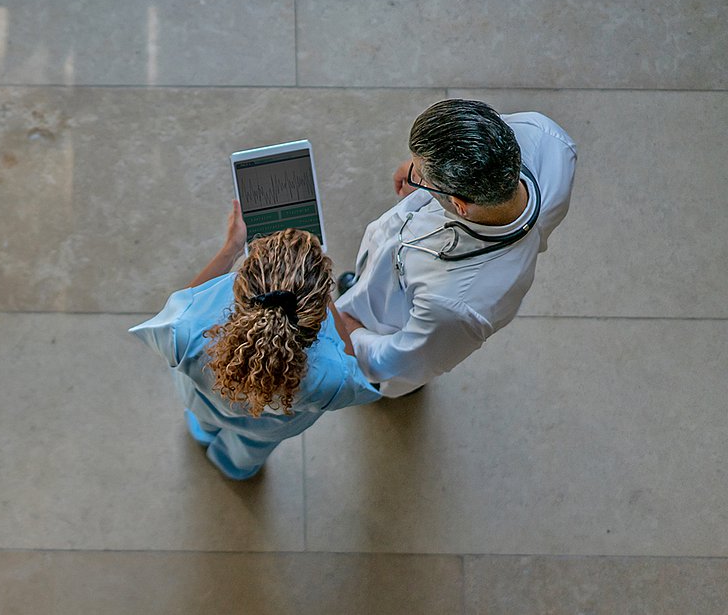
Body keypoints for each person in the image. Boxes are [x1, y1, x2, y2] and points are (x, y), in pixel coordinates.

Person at [335, 99, 578, 397]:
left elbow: (399, 361)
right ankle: (361, 287)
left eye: (421, 176)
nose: (413, 173)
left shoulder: (453, 307)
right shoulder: (545, 138)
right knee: (368, 278)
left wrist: (350, 330)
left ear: (460, 205)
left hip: (392, 323)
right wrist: (422, 165)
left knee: (381, 338)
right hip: (396, 265)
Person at [129, 208, 380, 480]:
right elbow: (351, 366)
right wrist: (325, 298)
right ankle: (234, 467)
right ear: (315, 312)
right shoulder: (331, 378)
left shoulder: (187, 330)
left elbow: (181, 306)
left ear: (241, 284)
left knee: (202, 420)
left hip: (203, 403)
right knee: (250, 449)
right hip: (267, 429)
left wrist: (232, 248)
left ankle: (202, 433)